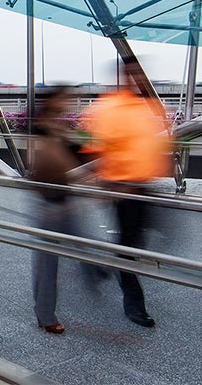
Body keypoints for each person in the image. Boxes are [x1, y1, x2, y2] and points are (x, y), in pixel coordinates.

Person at [84, 60, 171, 328]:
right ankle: (134, 305)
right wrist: (107, 184)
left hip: (143, 186)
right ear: (123, 76)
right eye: (132, 74)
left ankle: (104, 266)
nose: (136, 78)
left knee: (140, 243)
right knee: (130, 248)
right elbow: (99, 147)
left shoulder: (146, 107)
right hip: (122, 188)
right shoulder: (110, 107)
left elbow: (152, 146)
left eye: (139, 73)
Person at [28, 86, 86, 334]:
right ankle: (45, 314)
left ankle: (45, 312)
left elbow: (77, 155)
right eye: (65, 98)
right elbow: (44, 165)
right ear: (54, 101)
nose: (69, 103)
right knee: (47, 260)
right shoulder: (42, 129)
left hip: (63, 200)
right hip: (50, 203)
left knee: (58, 255)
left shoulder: (59, 128)